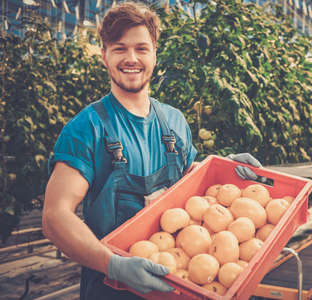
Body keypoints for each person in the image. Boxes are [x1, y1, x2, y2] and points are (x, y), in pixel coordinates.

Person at [42, 2, 261, 300]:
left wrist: (222, 168)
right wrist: (113, 265)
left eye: (141, 49)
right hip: (111, 290)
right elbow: (55, 217)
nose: (131, 58)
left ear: (155, 53)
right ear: (104, 55)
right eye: (120, 48)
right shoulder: (86, 128)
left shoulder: (174, 121)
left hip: (179, 283)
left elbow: (187, 187)